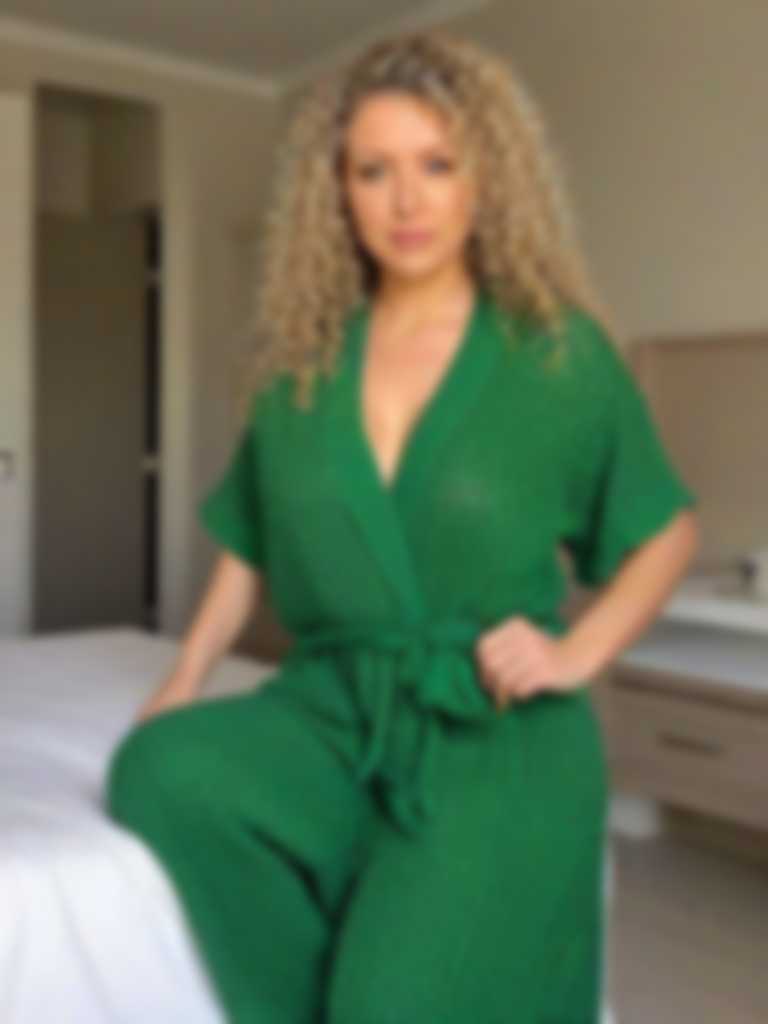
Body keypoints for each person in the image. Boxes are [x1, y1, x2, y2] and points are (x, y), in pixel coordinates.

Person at [104, 29, 699, 1024]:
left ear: (486, 179)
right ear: (336, 193)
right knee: (162, 771)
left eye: (437, 165)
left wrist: (575, 652)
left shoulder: (555, 353)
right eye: (373, 171)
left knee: (394, 1001)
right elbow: (248, 540)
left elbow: (664, 531)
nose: (407, 201)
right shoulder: (303, 362)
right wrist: (184, 679)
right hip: (332, 708)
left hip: (490, 730)